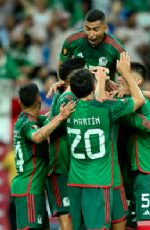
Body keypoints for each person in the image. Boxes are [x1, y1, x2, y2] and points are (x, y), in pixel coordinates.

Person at [66, 52, 144, 229]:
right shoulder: (106, 108)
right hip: (98, 183)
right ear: (93, 86)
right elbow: (139, 99)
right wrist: (125, 73)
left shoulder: (67, 108)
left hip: (75, 182)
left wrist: (94, 80)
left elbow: (78, 92)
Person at [114, 62, 150, 229]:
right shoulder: (125, 99)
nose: (118, 78)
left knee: (145, 224)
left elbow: (148, 124)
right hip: (128, 172)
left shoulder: (141, 102)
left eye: (123, 75)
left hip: (147, 169)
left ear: (136, 81)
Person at [11, 83, 75, 230]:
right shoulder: (28, 124)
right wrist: (61, 116)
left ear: (20, 102)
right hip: (29, 190)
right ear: (39, 99)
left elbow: (47, 121)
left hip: (32, 189)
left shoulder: (25, 121)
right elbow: (38, 137)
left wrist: (61, 93)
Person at [46, 57, 86, 230]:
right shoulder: (66, 99)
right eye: (84, 71)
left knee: (75, 217)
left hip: (74, 167)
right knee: (66, 217)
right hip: (60, 166)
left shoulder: (67, 96)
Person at [59, 9, 125, 80]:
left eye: (95, 30)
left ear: (105, 28)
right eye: (87, 29)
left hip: (104, 89)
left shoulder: (117, 49)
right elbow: (62, 65)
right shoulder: (72, 41)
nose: (91, 35)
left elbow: (124, 77)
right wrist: (61, 83)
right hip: (79, 88)